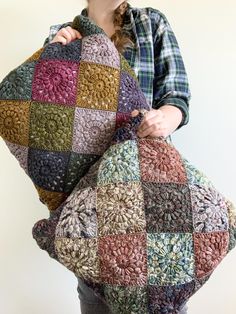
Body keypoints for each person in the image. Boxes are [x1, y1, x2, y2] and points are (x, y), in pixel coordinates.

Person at [43, 1, 191, 313]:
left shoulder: (150, 23)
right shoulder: (63, 33)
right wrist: (55, 57)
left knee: (161, 286)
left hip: (151, 183)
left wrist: (165, 117)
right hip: (91, 194)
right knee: (97, 294)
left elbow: (176, 94)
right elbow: (48, 121)